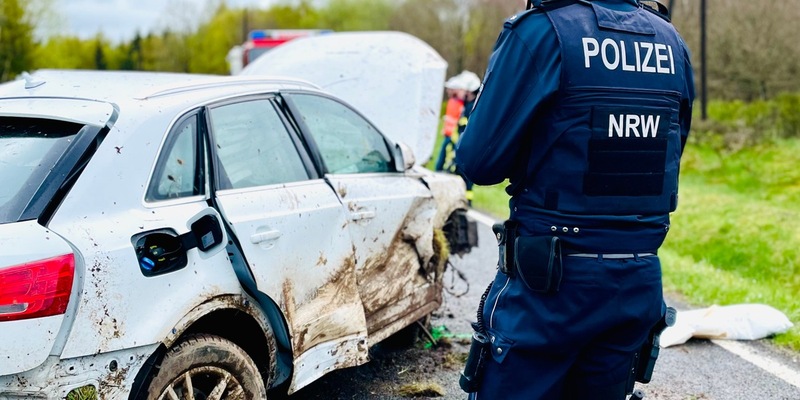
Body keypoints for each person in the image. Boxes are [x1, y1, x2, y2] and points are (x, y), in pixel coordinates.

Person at [456, 0, 694, 399]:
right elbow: (671, 148)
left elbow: (479, 163)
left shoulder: (541, 32)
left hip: (548, 288)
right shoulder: (670, 40)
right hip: (635, 283)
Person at [435, 75, 467, 172]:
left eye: (450, 89)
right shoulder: (452, 101)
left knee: (449, 157)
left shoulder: (460, 103)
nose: (448, 91)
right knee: (443, 157)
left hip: (454, 136)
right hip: (448, 134)